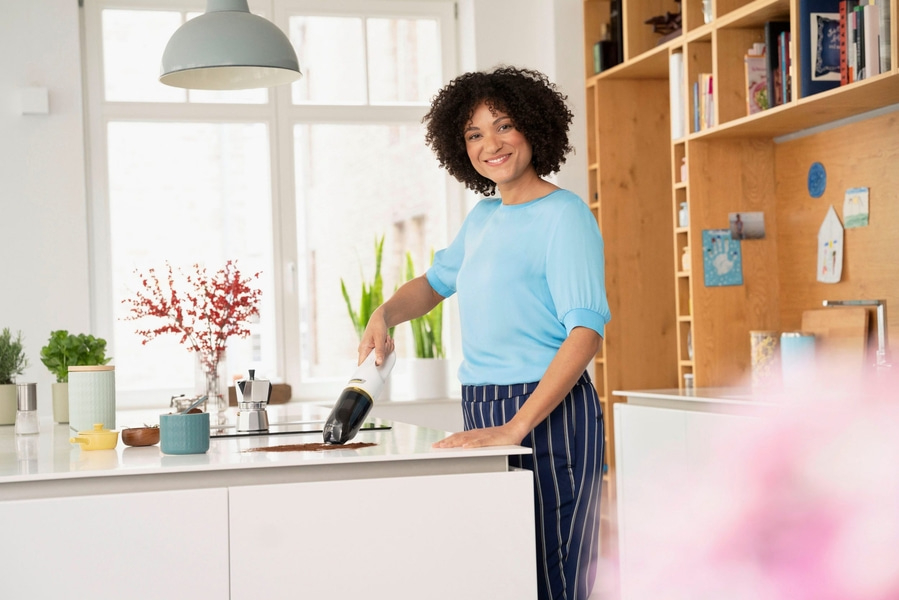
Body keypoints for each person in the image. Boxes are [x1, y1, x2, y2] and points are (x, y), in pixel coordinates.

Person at [358, 66, 611, 600]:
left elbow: (586, 333)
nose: (489, 144)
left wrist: (517, 426)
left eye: (503, 126)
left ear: (534, 130)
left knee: (557, 573)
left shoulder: (565, 216)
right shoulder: (483, 218)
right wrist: (384, 314)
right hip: (485, 405)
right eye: (474, 134)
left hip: (548, 412)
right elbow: (432, 284)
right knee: (509, 567)